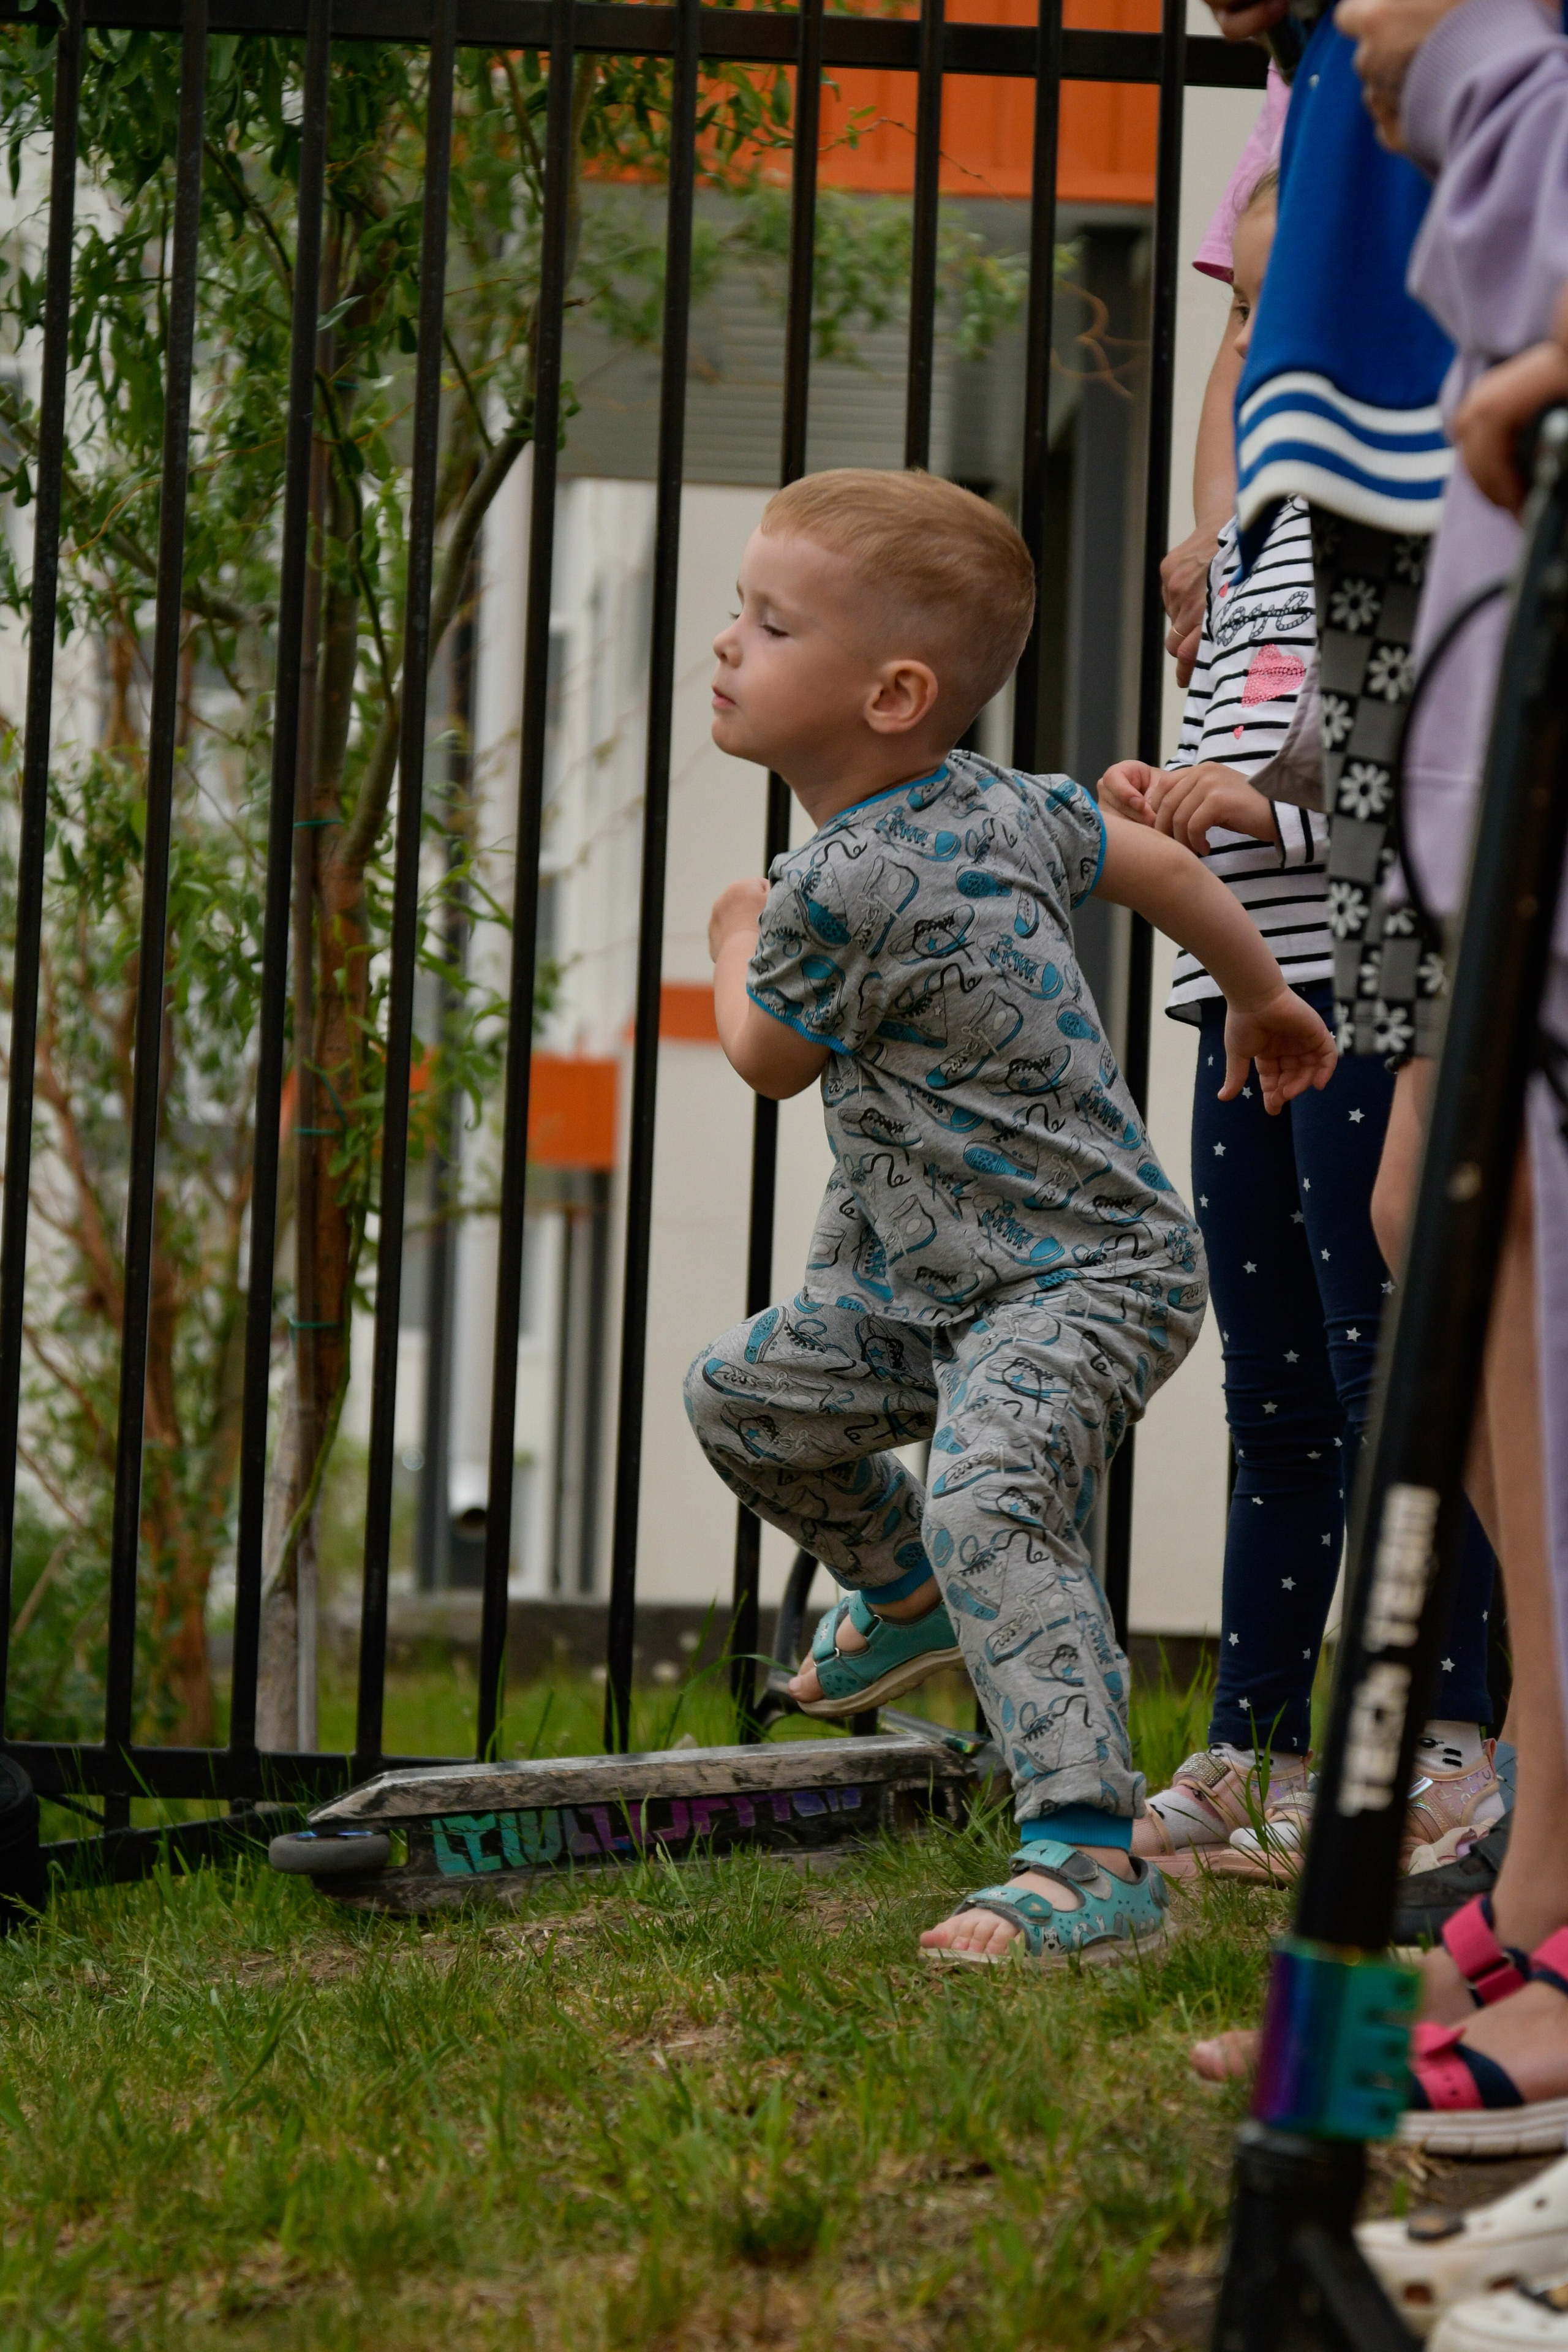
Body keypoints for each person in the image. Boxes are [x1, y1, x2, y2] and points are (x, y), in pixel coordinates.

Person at [684, 466, 1337, 1966]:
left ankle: (1083, 1853)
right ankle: (907, 1598)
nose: (727, 644)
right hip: (934, 1290)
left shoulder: (829, 885)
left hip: (1080, 1279)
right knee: (744, 1400)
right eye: (738, 613)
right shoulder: (1008, 798)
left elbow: (765, 1059)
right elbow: (1160, 864)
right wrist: (1259, 993)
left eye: (769, 624)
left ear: (893, 692)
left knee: (993, 1501)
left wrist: (731, 933)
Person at [1101, 169, 1502, 1879]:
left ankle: (1457, 1741)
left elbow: (1440, 787)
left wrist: (1247, 814)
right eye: (1242, 313)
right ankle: (1255, 1743)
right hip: (1240, 1011)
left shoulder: (1393, 534)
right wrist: (1161, 791)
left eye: (1292, 306)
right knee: (1272, 1399)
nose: (1260, 343)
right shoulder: (1252, 548)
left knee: (1392, 1374)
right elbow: (1247, 759)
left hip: (1364, 1006)